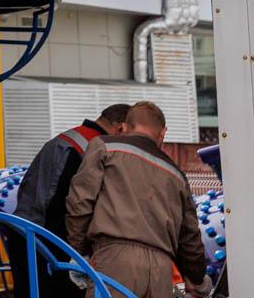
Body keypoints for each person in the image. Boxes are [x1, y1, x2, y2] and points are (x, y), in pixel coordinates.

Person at [64, 101, 209, 298]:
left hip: (114, 260)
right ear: (162, 133)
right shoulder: (176, 175)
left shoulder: (104, 147)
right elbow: (190, 236)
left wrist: (78, 252)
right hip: (161, 271)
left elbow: (80, 201)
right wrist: (197, 278)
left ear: (123, 127)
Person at [7, 103, 132, 297]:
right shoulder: (92, 149)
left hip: (24, 235)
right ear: (121, 128)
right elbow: (69, 207)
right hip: (48, 243)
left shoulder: (65, 140)